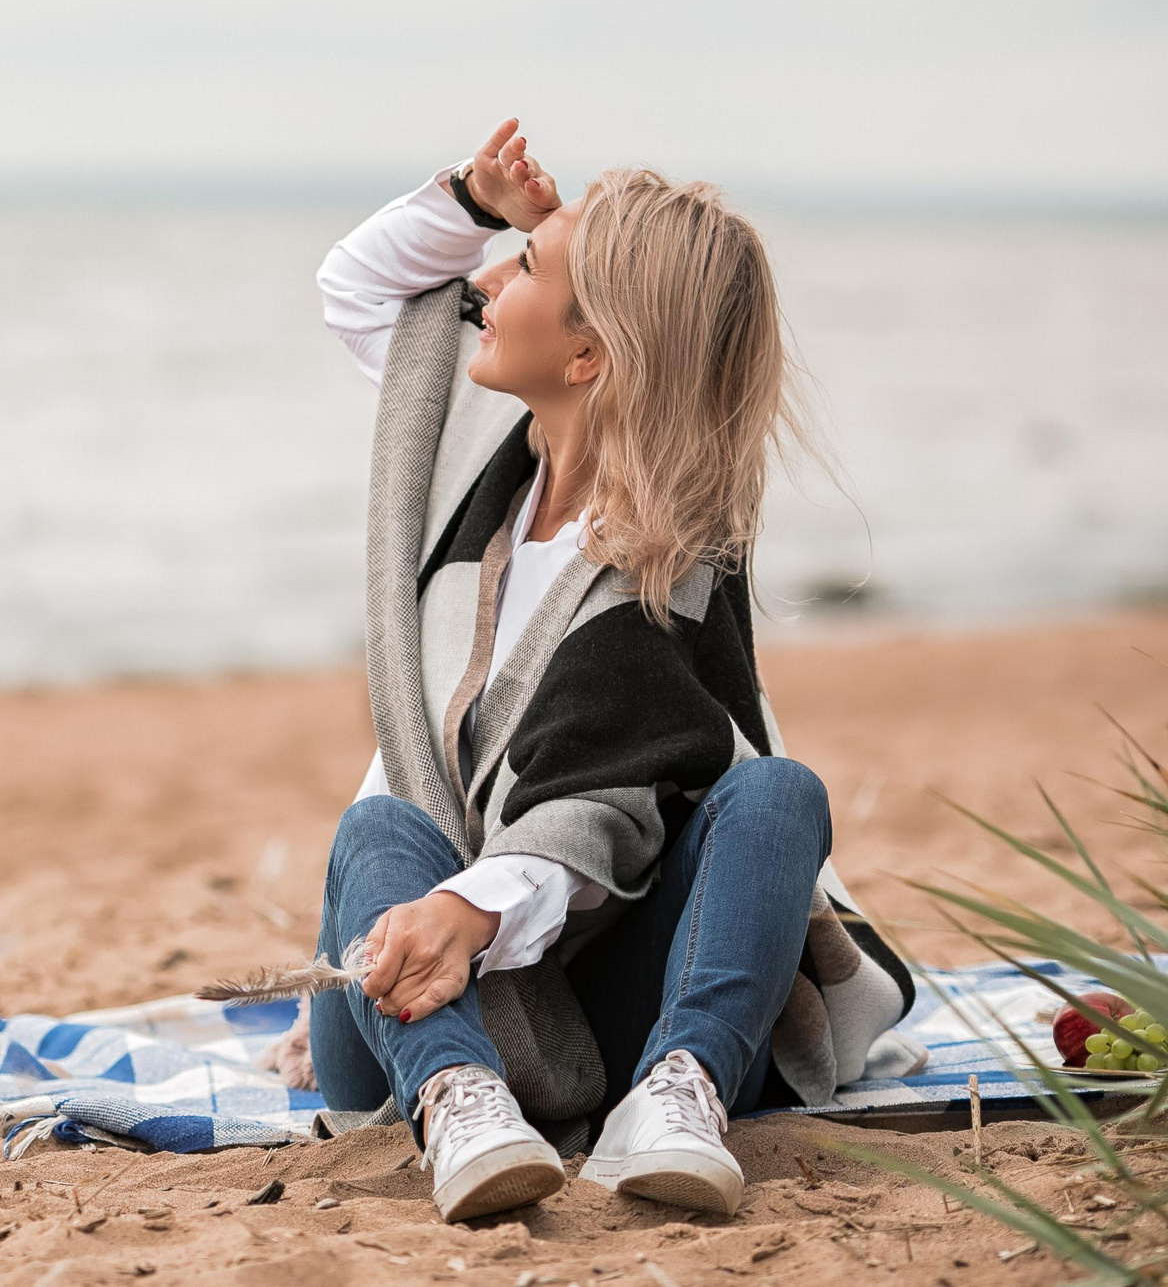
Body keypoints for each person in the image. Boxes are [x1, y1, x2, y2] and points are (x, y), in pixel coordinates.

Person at [303, 122, 917, 1223]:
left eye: (525, 270)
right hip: (411, 1004)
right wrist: (477, 201)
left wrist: (474, 909)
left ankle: (679, 1095)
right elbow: (357, 290)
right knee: (376, 829)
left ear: (585, 357)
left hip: (610, 1004)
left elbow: (607, 798)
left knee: (778, 796)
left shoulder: (669, 567)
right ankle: (459, 1104)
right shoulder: (465, 456)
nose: (487, 279)